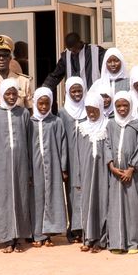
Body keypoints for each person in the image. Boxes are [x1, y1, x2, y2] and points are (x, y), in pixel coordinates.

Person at [0, 79, 34, 252]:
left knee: (20, 197)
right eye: (8, 93)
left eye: (14, 93)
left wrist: (29, 168)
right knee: (4, 199)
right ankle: (7, 238)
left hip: (20, 164)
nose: (11, 97)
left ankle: (19, 237)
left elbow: (29, 140)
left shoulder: (23, 113)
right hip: (1, 165)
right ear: (1, 94)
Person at [105, 91, 138, 254]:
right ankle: (117, 242)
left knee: (133, 207)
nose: (122, 109)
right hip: (115, 173)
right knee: (116, 206)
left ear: (131, 106)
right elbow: (107, 144)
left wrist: (131, 168)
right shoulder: (111, 124)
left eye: (125, 105)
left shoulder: (136, 124)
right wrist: (111, 165)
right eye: (118, 106)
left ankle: (133, 241)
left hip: (133, 175)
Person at [29, 87, 69, 247]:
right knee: (37, 199)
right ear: (35, 103)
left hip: (53, 165)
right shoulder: (29, 122)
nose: (44, 107)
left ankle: (49, 234)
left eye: (47, 104)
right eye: (41, 104)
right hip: (35, 166)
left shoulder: (56, 121)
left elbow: (63, 145)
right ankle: (37, 234)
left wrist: (63, 168)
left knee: (52, 196)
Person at [76, 91, 111, 253]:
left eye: (94, 109)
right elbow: (76, 153)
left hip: (103, 172)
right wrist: (78, 177)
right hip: (87, 172)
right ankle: (88, 238)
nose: (91, 112)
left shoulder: (107, 126)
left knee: (102, 203)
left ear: (101, 107)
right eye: (88, 109)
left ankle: (101, 240)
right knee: (87, 203)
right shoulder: (82, 128)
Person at [60, 77, 88, 240]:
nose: (77, 94)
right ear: (68, 92)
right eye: (73, 91)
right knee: (72, 193)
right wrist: (63, 165)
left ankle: (86, 226)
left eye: (79, 91)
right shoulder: (63, 112)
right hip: (70, 159)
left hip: (85, 157)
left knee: (86, 191)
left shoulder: (88, 109)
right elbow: (61, 139)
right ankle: (75, 228)